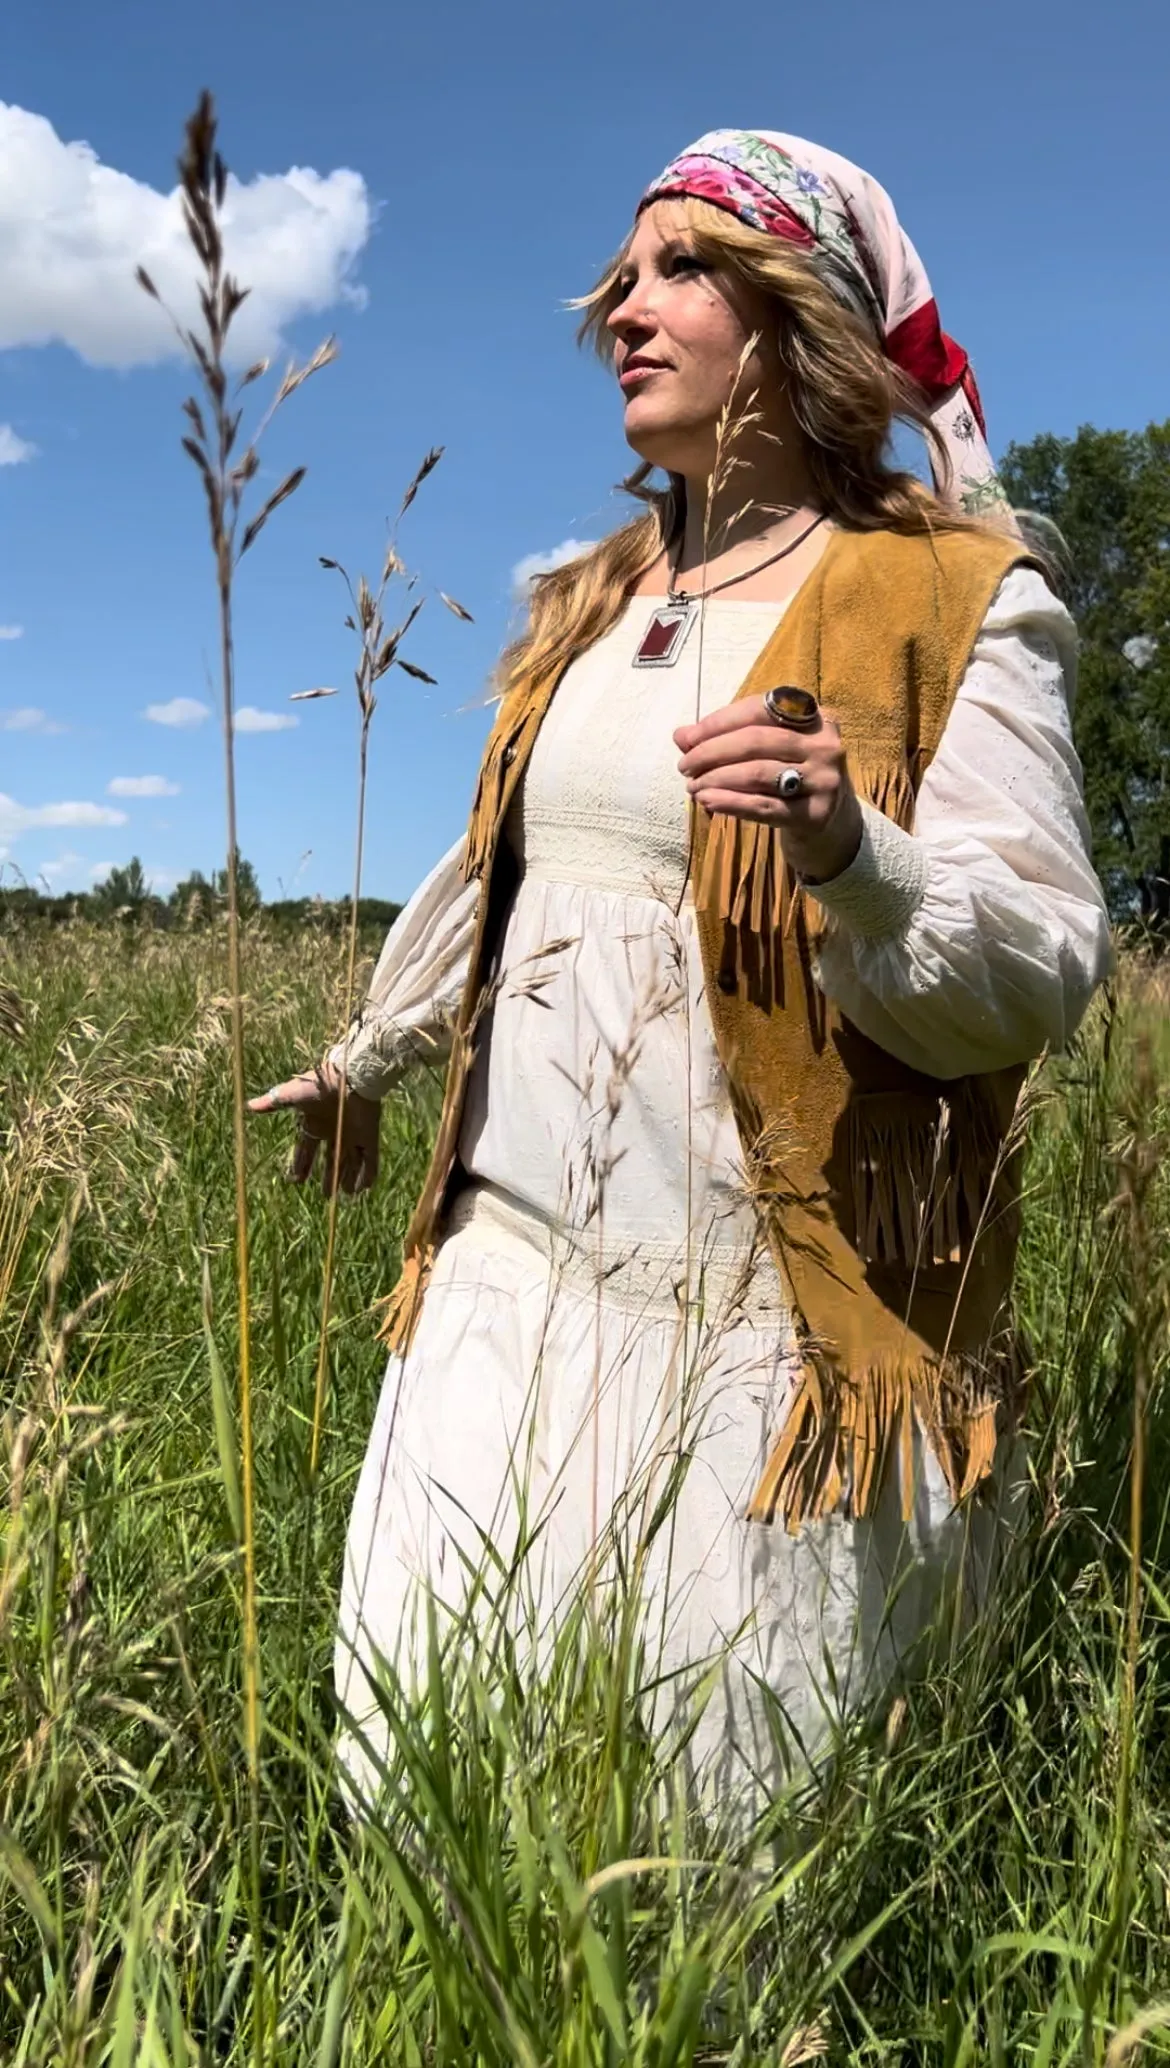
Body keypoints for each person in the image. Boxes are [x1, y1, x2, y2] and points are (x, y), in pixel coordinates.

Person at [251, 130, 1112, 1815]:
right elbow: (506, 872)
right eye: (620, 282)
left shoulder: (945, 596)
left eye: (678, 271)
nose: (622, 313)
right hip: (503, 1297)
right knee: (431, 1807)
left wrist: (854, 854)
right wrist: (372, 1053)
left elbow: (1038, 963)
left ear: (797, 318)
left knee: (706, 1867)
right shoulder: (592, 594)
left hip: (753, 1339)